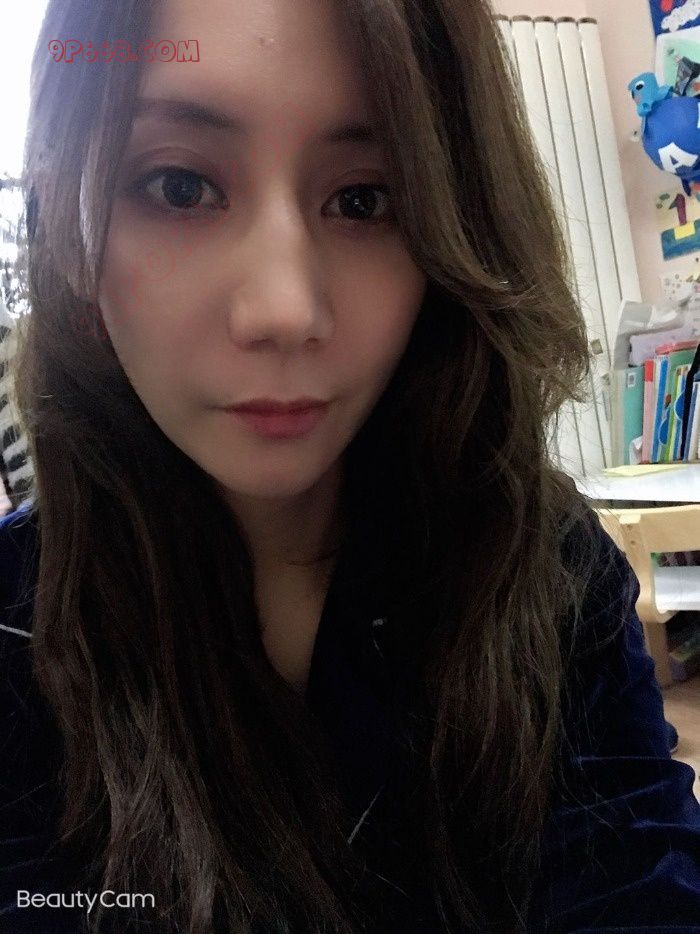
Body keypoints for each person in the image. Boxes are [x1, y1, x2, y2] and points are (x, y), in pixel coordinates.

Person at [1, 0, 699, 931]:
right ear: (69, 219)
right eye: (178, 186)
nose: (285, 309)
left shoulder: (542, 562)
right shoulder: (15, 625)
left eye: (365, 200)